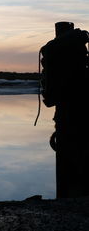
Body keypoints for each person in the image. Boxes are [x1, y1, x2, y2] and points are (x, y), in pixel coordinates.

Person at [40, 22, 89, 198]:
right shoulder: (73, 59)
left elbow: (50, 96)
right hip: (74, 115)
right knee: (76, 160)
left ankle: (71, 196)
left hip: (68, 117)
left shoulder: (54, 53)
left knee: (72, 160)